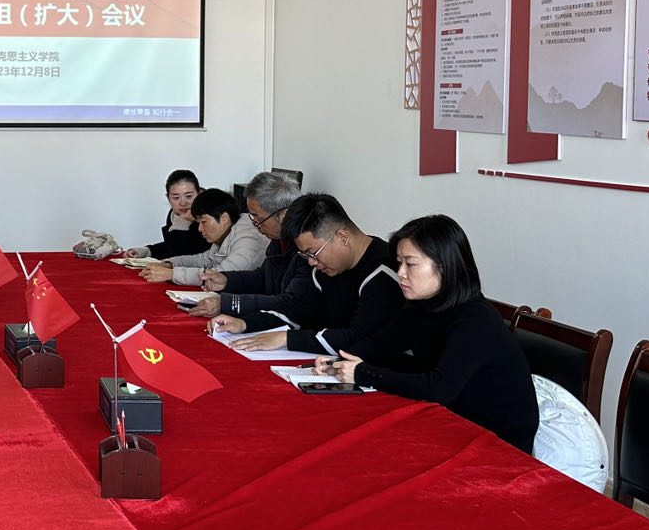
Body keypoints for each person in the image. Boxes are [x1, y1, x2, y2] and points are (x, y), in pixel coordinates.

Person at [311, 215, 539, 452]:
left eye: (410, 264)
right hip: (450, 418)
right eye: (399, 263)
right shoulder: (420, 305)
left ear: (444, 266)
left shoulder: (476, 319)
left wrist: (362, 373)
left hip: (497, 440)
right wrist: (338, 363)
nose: (400, 273)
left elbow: (438, 388)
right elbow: (379, 345)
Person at [207, 192, 402, 354]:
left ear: (342, 237)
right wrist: (244, 324)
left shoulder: (385, 273)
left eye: (313, 252)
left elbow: (359, 337)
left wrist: (287, 338)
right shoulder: (323, 269)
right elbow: (295, 310)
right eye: (306, 255)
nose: (311, 262)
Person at [186, 170, 303, 318]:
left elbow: (289, 303)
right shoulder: (278, 241)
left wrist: (228, 303)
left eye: (258, 218)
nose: (256, 225)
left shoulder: (305, 251)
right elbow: (263, 278)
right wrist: (226, 280)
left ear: (283, 215)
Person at [137, 187, 268, 287]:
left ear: (224, 218)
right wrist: (170, 264)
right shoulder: (227, 231)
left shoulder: (249, 238)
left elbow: (222, 275)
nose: (199, 228)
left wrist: (171, 274)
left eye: (203, 222)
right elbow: (205, 259)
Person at [119, 169, 206, 260]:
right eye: (176, 198)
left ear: (199, 193)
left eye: (188, 196)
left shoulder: (211, 214)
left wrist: (183, 224)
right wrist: (147, 251)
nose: (183, 203)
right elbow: (172, 246)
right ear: (168, 198)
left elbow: (183, 255)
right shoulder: (175, 215)